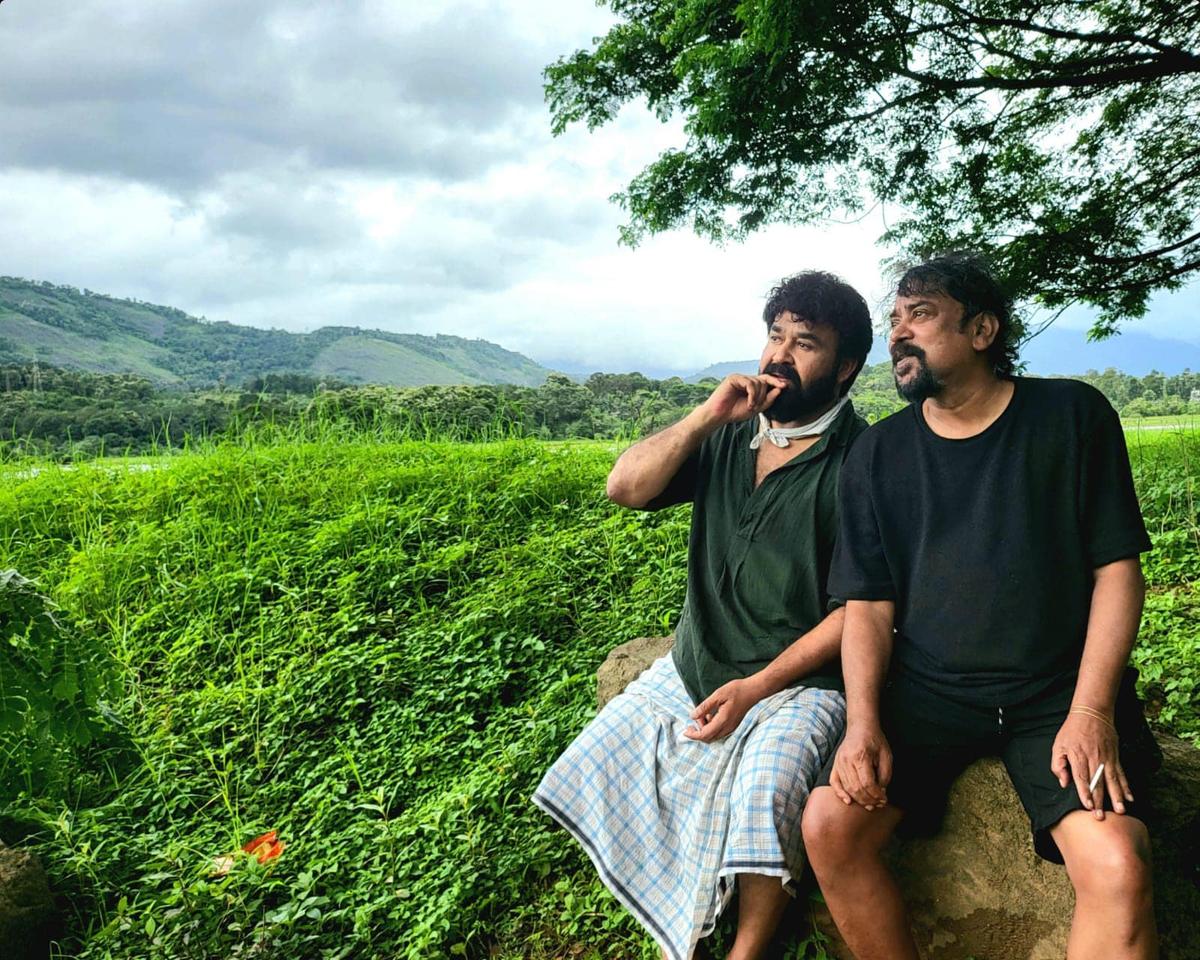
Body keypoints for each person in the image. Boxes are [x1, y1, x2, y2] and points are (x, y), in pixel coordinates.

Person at [802, 253, 1160, 959]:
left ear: (983, 329)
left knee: (1118, 862)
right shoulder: (876, 455)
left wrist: (1091, 712)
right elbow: (868, 604)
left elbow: (1117, 571)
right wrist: (863, 725)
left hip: (1057, 689)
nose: (900, 333)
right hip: (930, 693)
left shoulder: (1071, 417)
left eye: (922, 314)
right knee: (829, 824)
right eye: (895, 318)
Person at [532, 271, 874, 960]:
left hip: (801, 683)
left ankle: (747, 947)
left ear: (845, 369)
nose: (778, 356)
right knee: (590, 762)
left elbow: (858, 613)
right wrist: (704, 417)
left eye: (804, 344)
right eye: (774, 336)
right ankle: (676, 906)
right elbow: (622, 487)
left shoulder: (864, 462)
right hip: (696, 663)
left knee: (767, 791)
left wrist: (755, 689)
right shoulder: (727, 435)